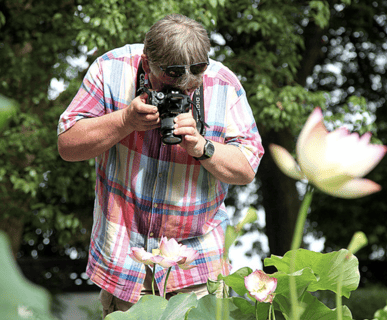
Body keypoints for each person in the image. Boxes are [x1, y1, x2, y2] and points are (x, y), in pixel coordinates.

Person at [57, 14, 264, 318]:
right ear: (146, 62)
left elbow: (247, 168)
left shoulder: (223, 85)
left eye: (191, 86)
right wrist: (125, 120)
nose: (180, 92)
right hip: (126, 262)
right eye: (170, 82)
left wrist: (201, 146)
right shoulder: (111, 69)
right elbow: (67, 145)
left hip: (198, 265)